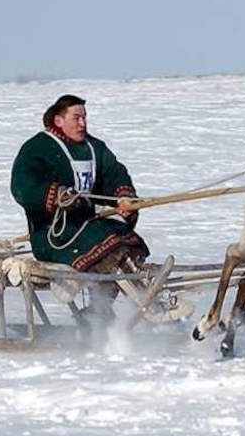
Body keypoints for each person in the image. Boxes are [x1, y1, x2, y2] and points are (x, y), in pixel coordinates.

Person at [11, 94, 151, 325]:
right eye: (76, 118)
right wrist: (56, 196)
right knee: (110, 244)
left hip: (87, 227)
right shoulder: (37, 149)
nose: (82, 124)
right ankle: (149, 305)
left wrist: (124, 198)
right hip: (53, 235)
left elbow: (114, 173)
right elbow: (21, 186)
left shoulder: (93, 147)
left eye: (84, 118)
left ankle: (100, 309)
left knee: (126, 239)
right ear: (58, 121)